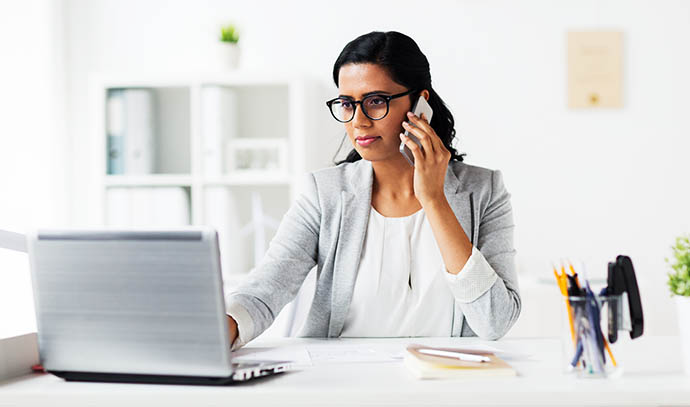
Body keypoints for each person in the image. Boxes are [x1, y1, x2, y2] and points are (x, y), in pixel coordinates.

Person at [225, 31, 520, 350]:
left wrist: (434, 199)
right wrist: (214, 333)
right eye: (346, 104)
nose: (358, 121)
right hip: (345, 385)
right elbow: (264, 290)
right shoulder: (324, 194)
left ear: (421, 103)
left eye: (376, 101)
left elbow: (495, 322)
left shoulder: (484, 190)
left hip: (445, 386)